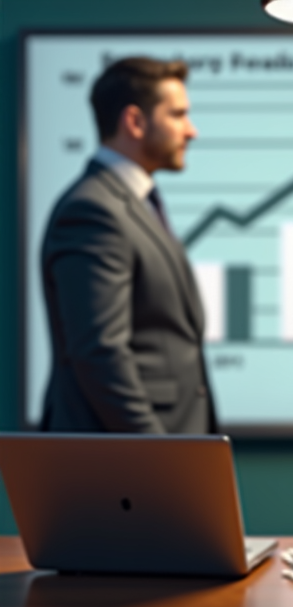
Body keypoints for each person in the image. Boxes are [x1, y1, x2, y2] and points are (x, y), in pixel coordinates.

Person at [40, 57, 217, 434]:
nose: (191, 131)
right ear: (134, 122)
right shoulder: (93, 211)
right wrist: (156, 450)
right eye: (178, 115)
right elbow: (99, 352)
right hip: (123, 466)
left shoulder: (132, 203)